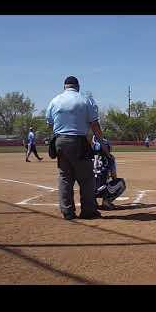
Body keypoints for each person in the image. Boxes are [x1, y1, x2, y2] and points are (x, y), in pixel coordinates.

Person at [46, 75, 108, 220]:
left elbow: (49, 123)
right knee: (86, 178)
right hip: (78, 141)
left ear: (64, 87)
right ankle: (88, 211)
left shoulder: (55, 100)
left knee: (65, 177)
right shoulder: (85, 100)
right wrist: (103, 144)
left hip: (60, 141)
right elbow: (95, 125)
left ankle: (67, 212)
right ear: (78, 86)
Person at [92, 136, 126, 210]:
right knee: (121, 183)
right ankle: (106, 202)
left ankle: (92, 203)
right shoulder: (110, 158)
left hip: (88, 190)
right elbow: (114, 176)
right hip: (100, 190)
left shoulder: (88, 157)